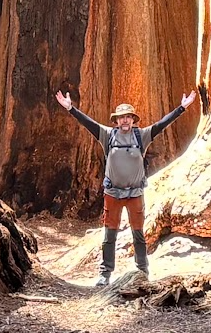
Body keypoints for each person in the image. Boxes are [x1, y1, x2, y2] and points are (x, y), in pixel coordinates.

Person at [56, 88, 197, 286]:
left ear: (133, 119)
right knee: (109, 236)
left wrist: (182, 108)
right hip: (113, 193)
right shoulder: (107, 134)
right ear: (116, 120)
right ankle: (105, 274)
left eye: (128, 117)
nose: (125, 121)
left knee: (138, 235)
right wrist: (71, 108)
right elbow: (88, 123)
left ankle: (142, 271)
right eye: (121, 117)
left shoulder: (142, 136)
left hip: (135, 194)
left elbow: (162, 124)